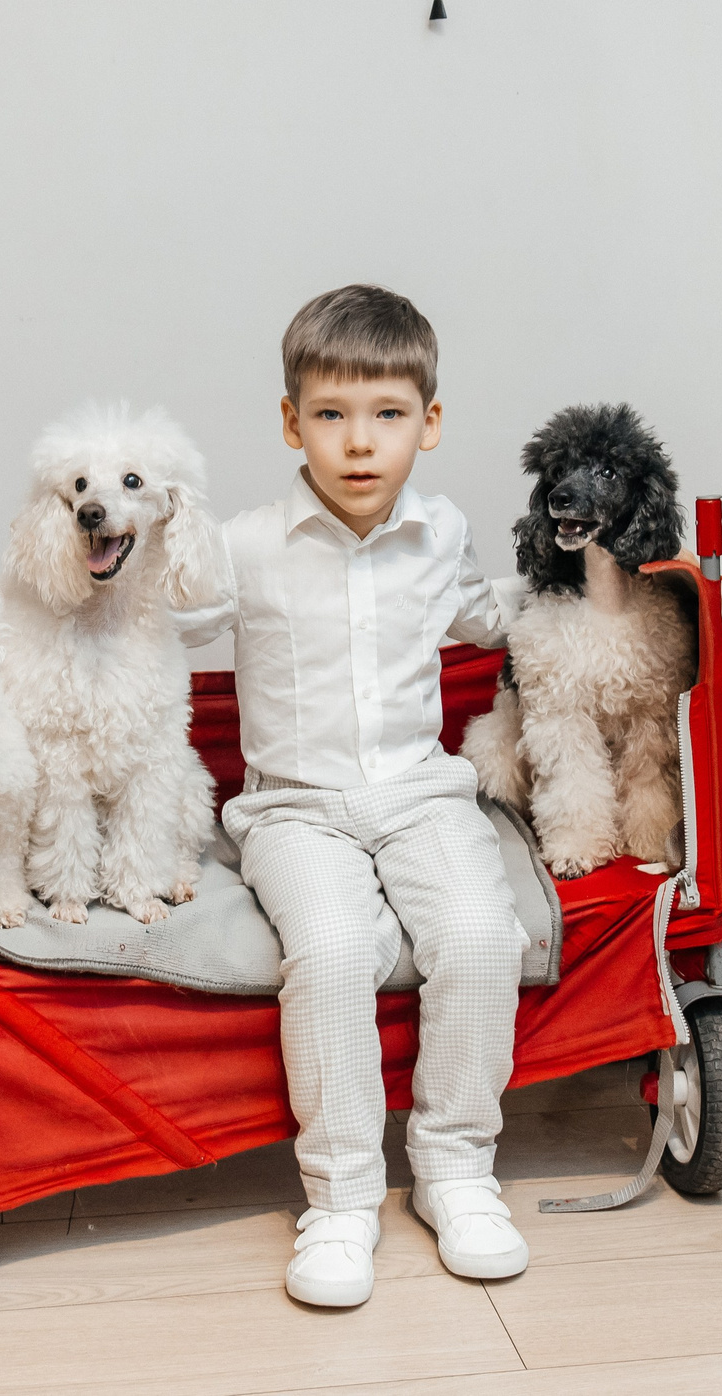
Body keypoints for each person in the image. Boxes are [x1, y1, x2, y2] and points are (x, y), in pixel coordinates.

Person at [174, 284, 529, 1308]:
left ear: (429, 421)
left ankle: (457, 1169)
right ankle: (339, 1198)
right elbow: (161, 618)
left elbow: (478, 615)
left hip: (422, 792)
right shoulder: (245, 544)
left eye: (386, 415)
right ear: (291, 423)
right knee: (330, 951)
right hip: (295, 807)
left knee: (476, 936)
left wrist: (584, 584)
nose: (359, 443)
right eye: (330, 416)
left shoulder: (444, 526)